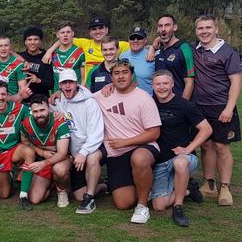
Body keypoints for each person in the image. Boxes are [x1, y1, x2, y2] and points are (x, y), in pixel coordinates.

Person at [93, 60, 161, 224]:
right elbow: (77, 95)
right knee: (123, 203)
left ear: (131, 75)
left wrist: (126, 142)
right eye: (116, 73)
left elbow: (154, 133)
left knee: (139, 159)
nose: (121, 76)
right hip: (116, 154)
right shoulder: (102, 95)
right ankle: (148, 185)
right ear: (111, 77)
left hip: (142, 147)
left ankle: (142, 207)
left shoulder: (143, 98)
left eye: (124, 72)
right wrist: (57, 94)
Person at [191, 14, 241, 205]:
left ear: (216, 29)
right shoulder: (194, 49)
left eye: (208, 28)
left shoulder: (228, 52)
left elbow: (236, 81)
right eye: (200, 28)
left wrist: (229, 108)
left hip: (221, 106)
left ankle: (225, 187)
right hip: (199, 107)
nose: (204, 32)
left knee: (221, 146)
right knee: (206, 145)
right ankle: (209, 184)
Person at [151, 70, 211, 226]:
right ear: (152, 86)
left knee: (180, 163)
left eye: (165, 83)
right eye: (158, 84)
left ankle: (178, 207)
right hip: (161, 160)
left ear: (172, 84)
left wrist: (188, 149)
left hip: (183, 156)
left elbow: (206, 129)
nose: (162, 87)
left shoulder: (185, 105)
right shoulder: (149, 103)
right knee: (158, 206)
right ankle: (188, 190)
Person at [54, 69, 105, 214]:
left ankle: (89, 199)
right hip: (74, 154)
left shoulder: (90, 103)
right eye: (64, 83)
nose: (68, 86)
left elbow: (96, 133)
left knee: (92, 157)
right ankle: (102, 186)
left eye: (70, 82)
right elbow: (46, 111)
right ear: (60, 86)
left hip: (91, 148)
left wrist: (83, 152)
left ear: (77, 84)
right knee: (77, 195)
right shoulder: (60, 101)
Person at [43, 17, 129, 84]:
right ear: (90, 32)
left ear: (107, 30)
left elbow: (137, 46)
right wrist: (49, 51)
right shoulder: (85, 43)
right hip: (90, 85)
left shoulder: (118, 44)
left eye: (100, 28)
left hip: (111, 83)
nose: (97, 31)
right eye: (94, 29)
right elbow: (64, 39)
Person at [21, 94, 72, 208]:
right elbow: (25, 142)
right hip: (42, 161)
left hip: (61, 160)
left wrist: (43, 163)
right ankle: (53, 183)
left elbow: (62, 153)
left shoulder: (60, 123)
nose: (39, 114)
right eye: (35, 111)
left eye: (42, 110)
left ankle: (62, 191)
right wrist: (41, 153)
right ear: (31, 111)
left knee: (59, 170)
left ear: (49, 108)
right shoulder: (27, 124)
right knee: (35, 199)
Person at [153, 14, 195, 100]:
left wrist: (182, 106)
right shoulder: (158, 50)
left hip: (177, 103)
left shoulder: (184, 48)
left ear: (174, 27)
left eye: (167, 25)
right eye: (160, 26)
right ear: (157, 29)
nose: (163, 29)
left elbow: (189, 82)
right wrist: (152, 48)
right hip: (158, 103)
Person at [19, 26, 54, 102]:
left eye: (36, 39)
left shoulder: (47, 57)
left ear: (40, 41)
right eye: (29, 40)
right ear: (25, 42)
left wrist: (38, 80)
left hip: (41, 101)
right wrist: (24, 61)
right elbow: (8, 51)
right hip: (22, 101)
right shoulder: (20, 57)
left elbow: (51, 84)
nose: (32, 42)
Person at [119, 27, 155, 95]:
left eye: (139, 38)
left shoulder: (152, 56)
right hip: (127, 99)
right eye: (132, 38)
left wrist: (152, 47)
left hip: (147, 100)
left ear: (145, 40)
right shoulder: (122, 56)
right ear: (128, 40)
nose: (135, 40)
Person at [51, 22, 85, 91]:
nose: (65, 35)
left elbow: (83, 78)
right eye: (62, 33)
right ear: (58, 35)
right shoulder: (52, 53)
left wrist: (80, 92)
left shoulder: (79, 52)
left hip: (74, 94)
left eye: (68, 32)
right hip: (56, 96)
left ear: (72, 34)